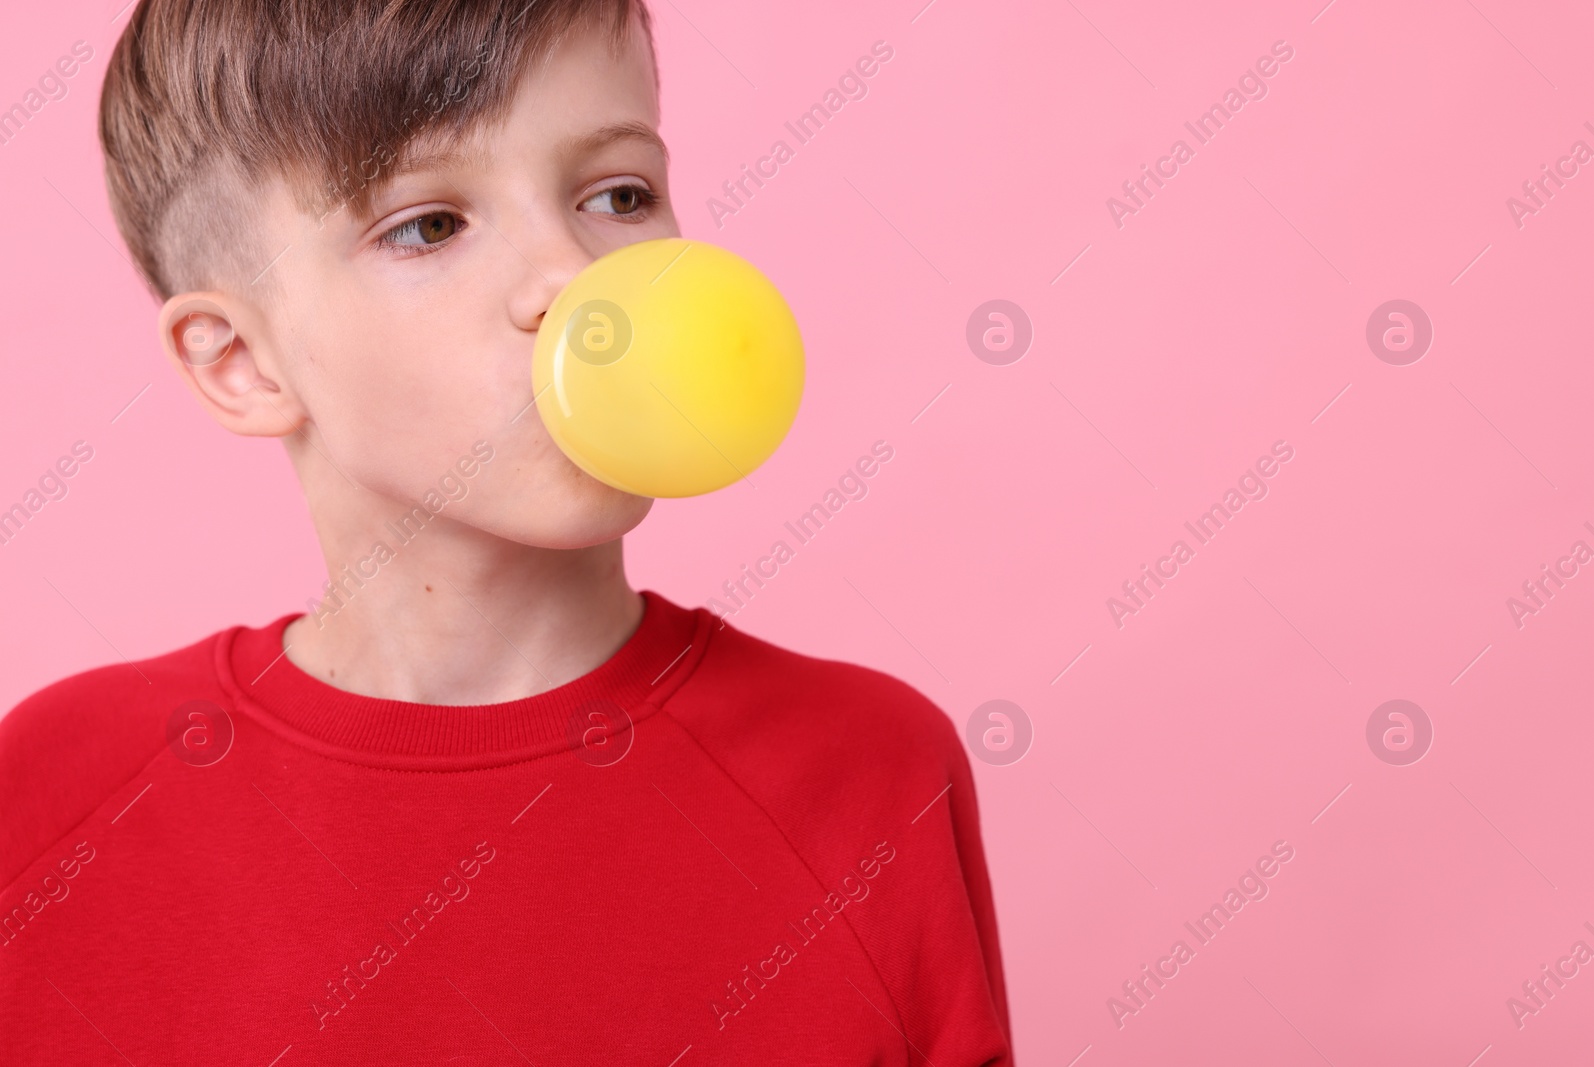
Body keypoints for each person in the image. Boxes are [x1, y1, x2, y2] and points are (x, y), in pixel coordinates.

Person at [0, 2, 1011, 1062]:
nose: (580, 282)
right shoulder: (60, 796)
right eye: (430, 224)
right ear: (241, 361)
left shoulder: (869, 772)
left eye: (619, 195)